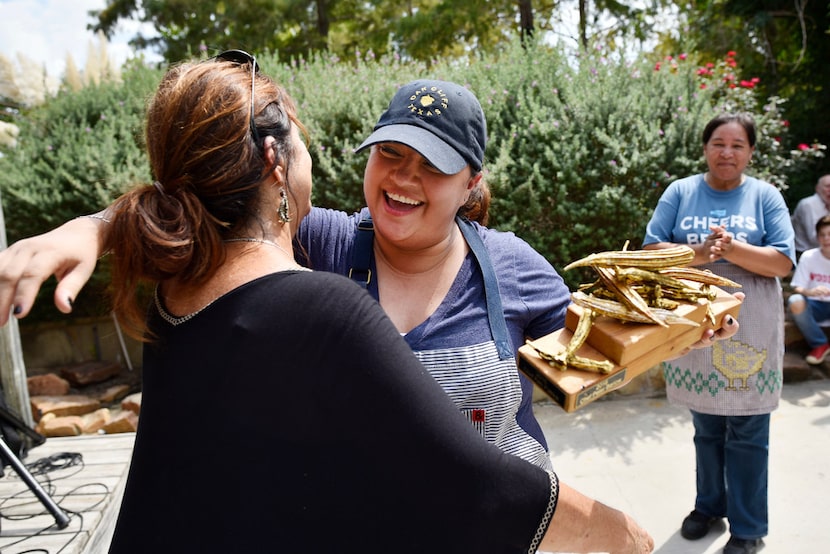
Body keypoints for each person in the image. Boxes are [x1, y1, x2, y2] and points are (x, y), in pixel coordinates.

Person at [8, 51, 658, 553]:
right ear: (273, 158)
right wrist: (620, 535)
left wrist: (664, 332)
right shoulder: (324, 263)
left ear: (472, 183)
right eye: (390, 154)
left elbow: (586, 347)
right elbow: (485, 493)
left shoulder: (178, 298)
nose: (404, 178)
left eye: (431, 165)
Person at [643, 112, 795, 554]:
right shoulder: (681, 192)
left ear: (750, 152)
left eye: (738, 145)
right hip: (695, 325)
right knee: (706, 426)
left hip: (752, 327)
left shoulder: (765, 196)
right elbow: (652, 250)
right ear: (705, 147)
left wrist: (732, 250)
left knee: (748, 431)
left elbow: (783, 262)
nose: (727, 152)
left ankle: (748, 528)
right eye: (718, 143)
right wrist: (698, 253)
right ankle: (709, 505)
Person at [787, 214, 830, 364]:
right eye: (822, 235)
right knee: (795, 300)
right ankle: (820, 344)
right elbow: (797, 287)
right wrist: (810, 292)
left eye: (829, 234)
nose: (826, 239)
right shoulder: (809, 256)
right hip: (814, 305)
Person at [790, 174, 830, 257]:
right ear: (817, 188)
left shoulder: (827, 204)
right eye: (827, 186)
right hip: (803, 254)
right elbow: (814, 238)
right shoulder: (808, 204)